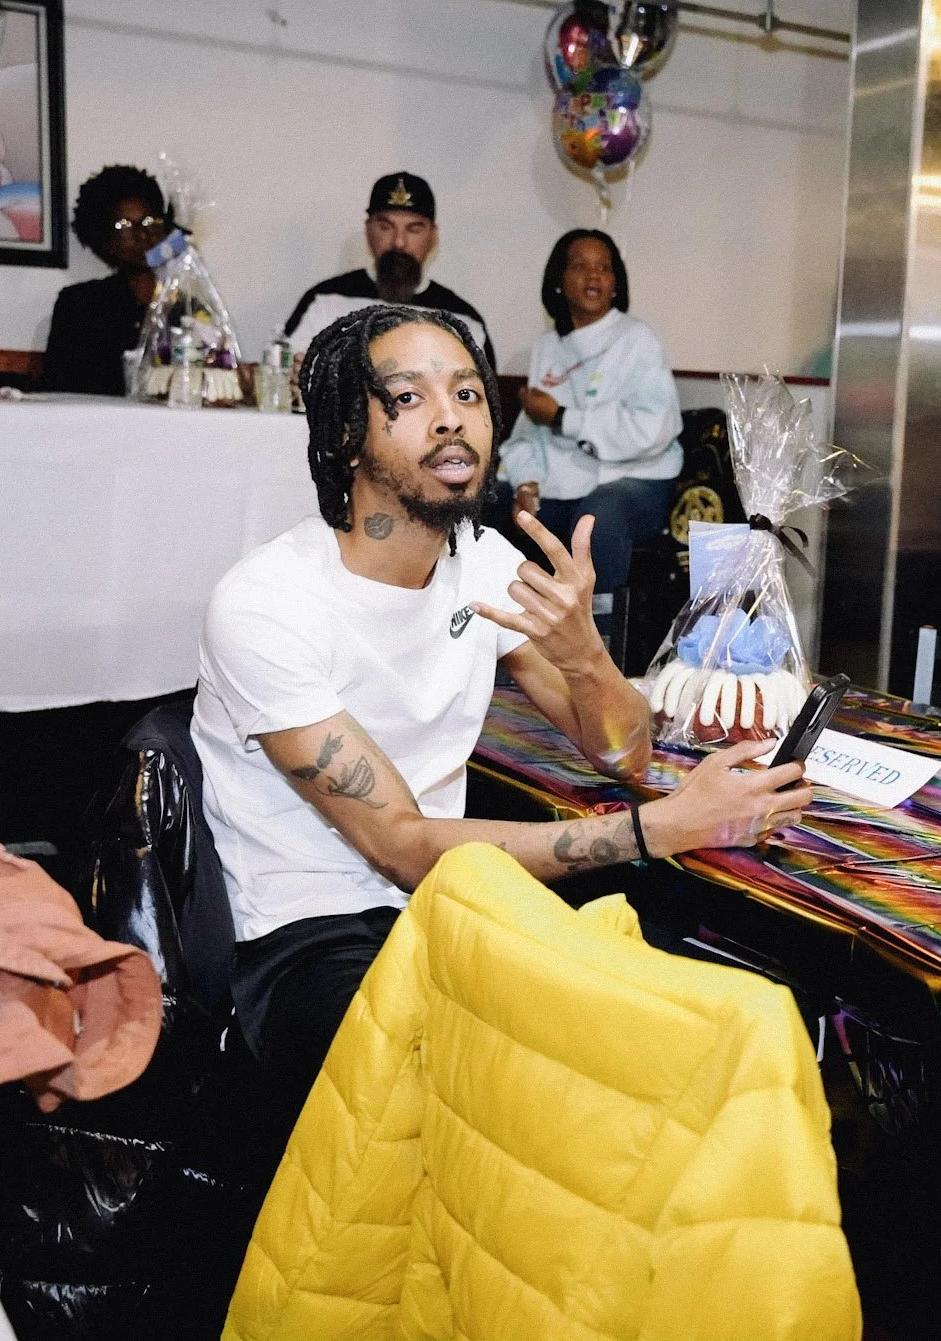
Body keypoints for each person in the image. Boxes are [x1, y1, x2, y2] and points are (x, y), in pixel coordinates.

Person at [190, 303, 811, 1126]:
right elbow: (404, 844)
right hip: (304, 936)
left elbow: (623, 757)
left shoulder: (481, 561)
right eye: (407, 399)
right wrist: (655, 829)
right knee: (494, 1101)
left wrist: (585, 651)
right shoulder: (267, 603)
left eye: (470, 394)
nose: (451, 418)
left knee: (703, 1026)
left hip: (446, 908)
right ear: (346, 432)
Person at [495, 230, 682, 625]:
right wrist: (526, 483)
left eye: (604, 267)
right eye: (579, 265)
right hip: (564, 479)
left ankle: (600, 648)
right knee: (492, 502)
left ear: (617, 284)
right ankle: (519, 644)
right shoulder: (548, 346)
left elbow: (653, 428)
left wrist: (564, 417)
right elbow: (527, 435)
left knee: (596, 518)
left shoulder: (636, 339)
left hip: (637, 477)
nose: (593, 275)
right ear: (559, 281)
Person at [283, 173, 495, 367]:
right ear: (368, 229)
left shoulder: (462, 320)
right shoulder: (325, 302)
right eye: (386, 227)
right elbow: (284, 374)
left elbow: (482, 402)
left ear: (433, 236)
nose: (399, 242)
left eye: (414, 229)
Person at [40, 165, 172, 395]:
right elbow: (57, 388)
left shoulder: (183, 306)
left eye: (149, 222)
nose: (142, 235)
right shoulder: (80, 305)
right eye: (125, 226)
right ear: (104, 239)